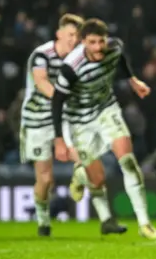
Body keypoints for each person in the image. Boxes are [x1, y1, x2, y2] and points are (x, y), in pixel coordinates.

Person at [51, 18, 156, 240]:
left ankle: (145, 224)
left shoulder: (114, 47)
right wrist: (59, 139)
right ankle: (84, 182)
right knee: (98, 179)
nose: (98, 47)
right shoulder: (71, 68)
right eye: (92, 42)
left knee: (128, 161)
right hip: (79, 121)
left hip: (106, 110)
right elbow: (56, 102)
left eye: (101, 41)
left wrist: (132, 80)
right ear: (83, 42)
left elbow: (120, 59)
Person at [20, 14, 108, 237]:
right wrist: (62, 99)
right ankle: (43, 218)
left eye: (76, 36)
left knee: (85, 157)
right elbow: (41, 81)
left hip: (63, 118)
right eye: (70, 35)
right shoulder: (42, 55)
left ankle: (103, 214)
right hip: (37, 121)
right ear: (58, 34)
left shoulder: (78, 59)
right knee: (46, 179)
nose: (73, 40)